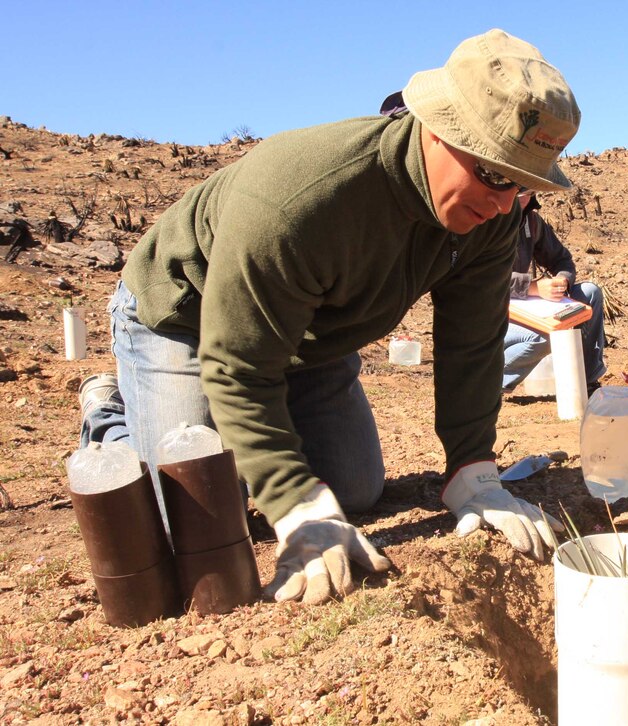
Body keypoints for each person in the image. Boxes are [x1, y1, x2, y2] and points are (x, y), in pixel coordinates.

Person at [76, 29, 580, 606]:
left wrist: (473, 469)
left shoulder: (494, 214)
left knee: (353, 491)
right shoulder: (300, 200)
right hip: (185, 320)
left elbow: (472, 345)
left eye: (524, 184)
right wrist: (294, 504)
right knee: (192, 510)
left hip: (308, 340)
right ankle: (109, 416)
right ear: (439, 129)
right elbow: (238, 364)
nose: (501, 201)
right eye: (493, 172)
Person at [503, 193, 606, 394]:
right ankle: (491, 382)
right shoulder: (487, 219)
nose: (523, 195)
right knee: (548, 334)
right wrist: (533, 288)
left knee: (590, 293)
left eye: (529, 189)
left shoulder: (531, 221)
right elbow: (484, 278)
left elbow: (562, 260)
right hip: (492, 310)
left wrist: (562, 280)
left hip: (528, 306)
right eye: (519, 188)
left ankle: (588, 382)